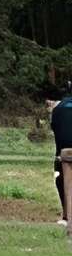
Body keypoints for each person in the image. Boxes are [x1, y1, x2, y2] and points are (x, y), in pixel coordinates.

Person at [51, 87, 72, 223]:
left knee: (61, 179)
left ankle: (66, 216)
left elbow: (55, 129)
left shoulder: (60, 107)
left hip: (63, 152)